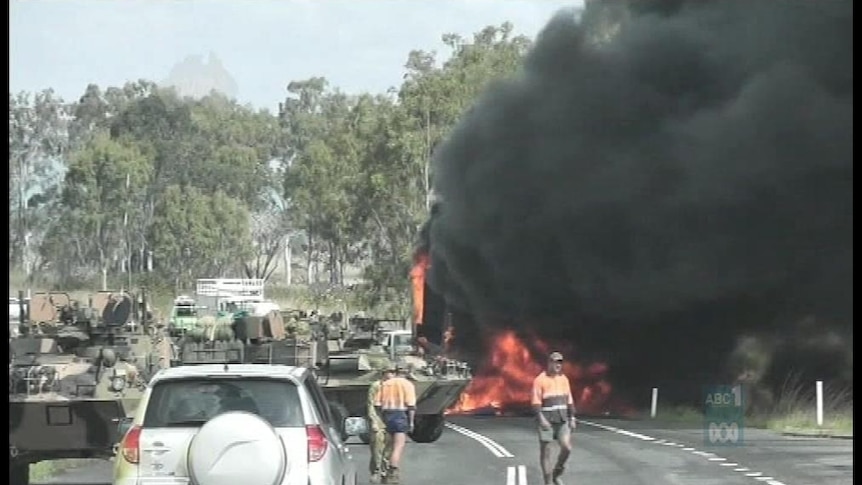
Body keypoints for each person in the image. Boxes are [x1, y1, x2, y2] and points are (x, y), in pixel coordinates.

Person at [532, 351, 577, 485]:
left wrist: (572, 417)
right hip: (547, 421)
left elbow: (569, 399)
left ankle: (557, 472)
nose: (558, 365)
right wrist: (541, 419)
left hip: (562, 420)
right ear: (549, 363)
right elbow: (535, 402)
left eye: (560, 362)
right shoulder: (540, 380)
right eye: (555, 361)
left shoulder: (564, 379)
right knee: (546, 452)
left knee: (567, 448)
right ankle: (548, 482)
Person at [374, 362, 417, 484]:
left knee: (386, 446)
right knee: (398, 446)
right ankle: (392, 474)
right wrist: (411, 422)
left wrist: (380, 418)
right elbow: (411, 406)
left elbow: (377, 404)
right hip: (400, 415)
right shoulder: (408, 384)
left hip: (386, 415)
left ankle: (381, 472)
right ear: (406, 372)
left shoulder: (385, 384)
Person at [368, 367, 394, 483]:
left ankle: (385, 473)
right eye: (389, 372)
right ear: (383, 373)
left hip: (392, 419)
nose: (390, 375)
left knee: (389, 449)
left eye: (393, 372)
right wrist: (373, 421)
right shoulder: (376, 386)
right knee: (377, 448)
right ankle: (375, 471)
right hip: (379, 418)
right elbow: (370, 405)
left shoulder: (395, 386)